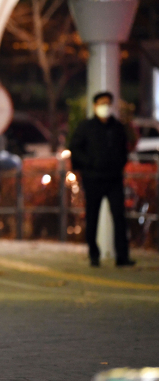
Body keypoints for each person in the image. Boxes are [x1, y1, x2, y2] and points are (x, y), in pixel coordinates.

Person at [69, 91, 135, 267]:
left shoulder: (118, 127)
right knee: (92, 217)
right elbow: (75, 148)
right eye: (102, 103)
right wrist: (89, 163)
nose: (105, 107)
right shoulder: (86, 127)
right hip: (93, 179)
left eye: (108, 103)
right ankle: (94, 254)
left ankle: (122, 256)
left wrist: (119, 164)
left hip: (114, 179)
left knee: (119, 217)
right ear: (95, 106)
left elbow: (125, 148)